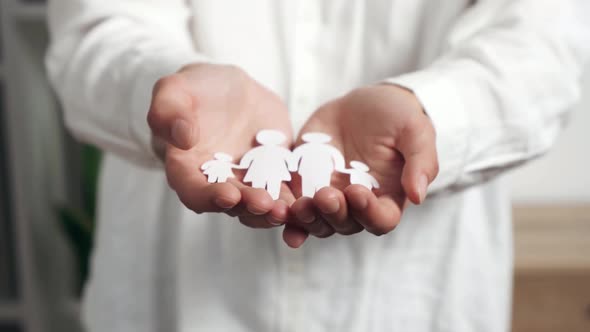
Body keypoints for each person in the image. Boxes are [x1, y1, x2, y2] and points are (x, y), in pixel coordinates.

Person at [45, 1, 590, 331]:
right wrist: (170, 90)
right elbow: (95, 29)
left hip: (420, 292)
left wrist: (431, 114)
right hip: (171, 294)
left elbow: (543, 45)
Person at [239, 129, 293, 200]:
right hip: (265, 172)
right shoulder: (281, 151)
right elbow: (290, 159)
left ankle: (271, 197)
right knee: (264, 185)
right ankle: (263, 196)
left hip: (272, 172)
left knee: (272, 185)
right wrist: (292, 167)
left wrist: (244, 165)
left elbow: (247, 158)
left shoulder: (257, 151)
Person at [289, 132, 346, 198]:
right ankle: (310, 197)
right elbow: (296, 155)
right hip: (309, 171)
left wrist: (293, 167)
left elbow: (337, 156)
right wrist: (293, 166)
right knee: (309, 188)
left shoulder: (327, 149)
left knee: (321, 188)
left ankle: (320, 196)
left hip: (322, 171)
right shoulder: (305, 148)